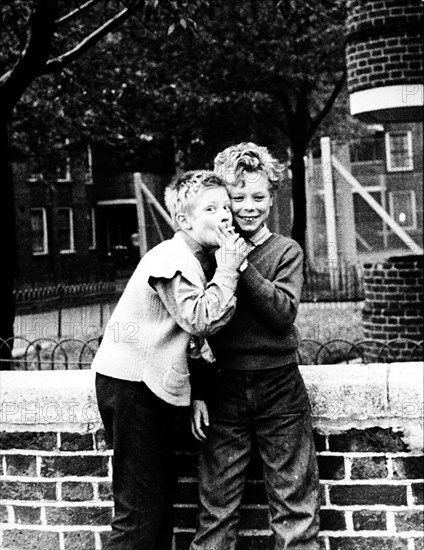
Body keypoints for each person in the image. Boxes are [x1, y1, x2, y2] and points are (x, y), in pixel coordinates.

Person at [92, 170, 248, 550]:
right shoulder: (172, 258)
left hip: (149, 388)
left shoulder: (192, 259)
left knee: (157, 509)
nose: (226, 216)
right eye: (212, 208)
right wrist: (229, 268)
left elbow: (186, 339)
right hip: (133, 389)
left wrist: (195, 394)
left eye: (227, 206)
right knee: (138, 516)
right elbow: (201, 319)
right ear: (183, 220)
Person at [190, 143, 320, 550]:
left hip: (279, 387)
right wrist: (196, 392)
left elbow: (282, 313)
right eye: (238, 196)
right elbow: (191, 329)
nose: (248, 207)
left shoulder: (286, 251)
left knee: (294, 507)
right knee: (216, 508)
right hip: (223, 388)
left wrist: (240, 264)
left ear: (271, 198)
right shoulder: (205, 255)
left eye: (258, 197)